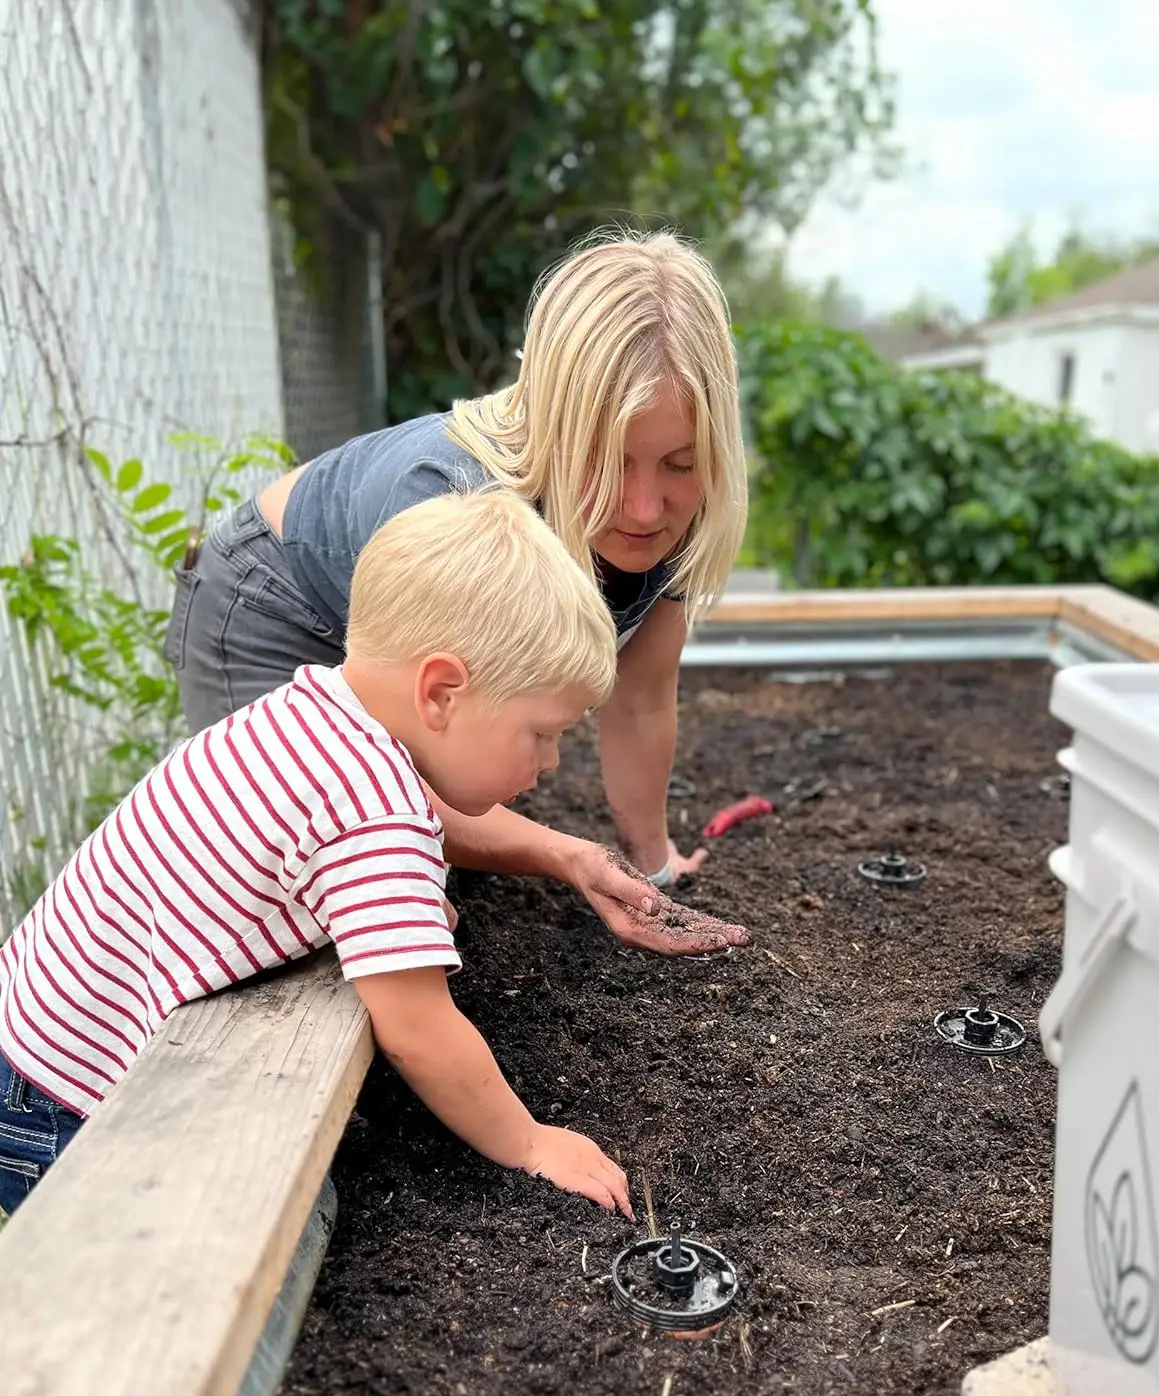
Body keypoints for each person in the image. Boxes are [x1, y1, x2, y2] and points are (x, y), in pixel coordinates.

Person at [0, 491, 637, 1220]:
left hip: (32, 1017)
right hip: (71, 1093)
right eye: (542, 732)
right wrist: (529, 1143)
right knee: (126, 1268)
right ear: (441, 693)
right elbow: (418, 1029)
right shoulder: (370, 806)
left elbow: (395, 837)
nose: (552, 761)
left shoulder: (315, 714)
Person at [167, 229, 749, 959]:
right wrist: (567, 855)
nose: (643, 507)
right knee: (289, 892)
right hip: (275, 611)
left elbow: (641, 698)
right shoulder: (456, 503)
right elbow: (396, 774)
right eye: (606, 460)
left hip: (400, 665)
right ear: (556, 426)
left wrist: (653, 867)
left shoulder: (679, 516)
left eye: (679, 463)